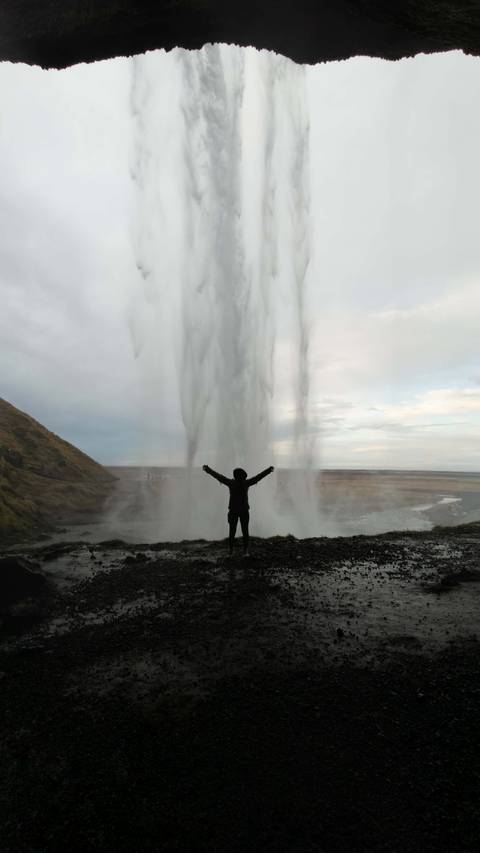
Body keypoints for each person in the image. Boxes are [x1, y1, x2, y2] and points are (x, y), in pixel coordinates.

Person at [202, 464, 274, 556]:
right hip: (243, 510)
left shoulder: (232, 483)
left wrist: (208, 469)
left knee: (232, 531)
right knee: (244, 531)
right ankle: (245, 551)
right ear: (242, 476)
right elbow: (258, 477)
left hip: (234, 510)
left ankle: (232, 551)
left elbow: (218, 476)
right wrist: (268, 470)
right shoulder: (245, 483)